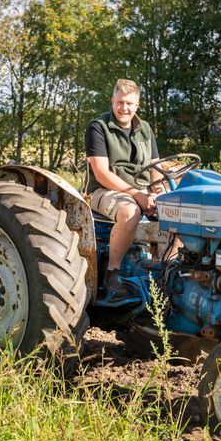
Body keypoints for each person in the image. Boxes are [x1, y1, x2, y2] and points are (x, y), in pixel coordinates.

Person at [85, 79, 161, 299]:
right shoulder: (98, 127)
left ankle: (168, 268)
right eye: (120, 102)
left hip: (142, 191)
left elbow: (155, 168)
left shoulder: (145, 129)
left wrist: (156, 193)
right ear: (112, 101)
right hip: (104, 190)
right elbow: (101, 173)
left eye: (129, 103)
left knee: (181, 209)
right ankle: (112, 273)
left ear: (137, 105)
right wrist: (137, 195)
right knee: (130, 211)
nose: (124, 108)